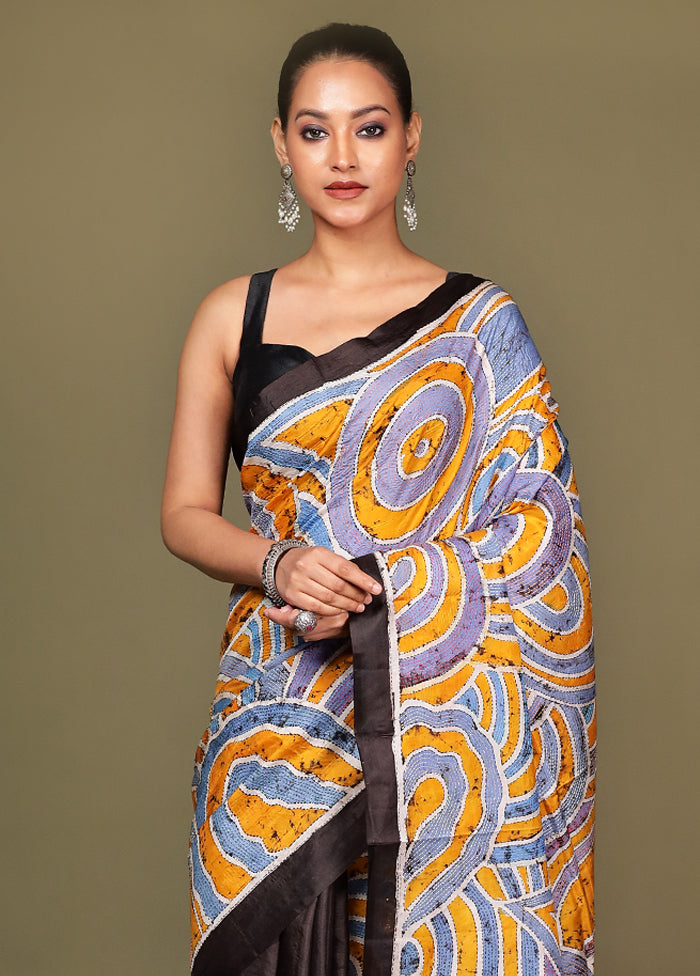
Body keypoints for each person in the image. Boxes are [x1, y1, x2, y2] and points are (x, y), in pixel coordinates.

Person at [161, 22, 595, 976]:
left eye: (369, 128)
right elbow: (185, 514)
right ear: (281, 144)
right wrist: (281, 562)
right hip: (275, 716)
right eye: (314, 131)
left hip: (442, 736)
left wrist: (378, 591)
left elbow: (542, 536)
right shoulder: (232, 315)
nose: (343, 157)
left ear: (411, 137)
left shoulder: (483, 324)